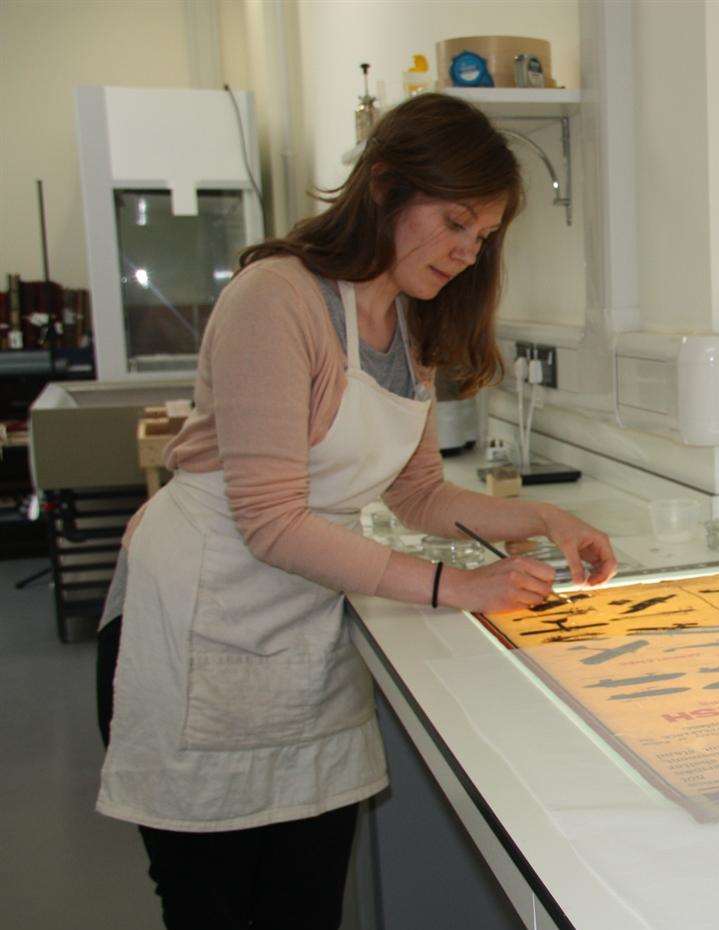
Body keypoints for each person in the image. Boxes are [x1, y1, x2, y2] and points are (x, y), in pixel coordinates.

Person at [95, 93, 617, 929]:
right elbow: (268, 520)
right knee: (217, 908)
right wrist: (457, 589)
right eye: (453, 223)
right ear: (383, 186)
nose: (464, 253)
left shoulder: (406, 321)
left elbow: (415, 494)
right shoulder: (278, 298)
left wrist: (544, 523)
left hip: (299, 625)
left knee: (304, 907)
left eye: (480, 237)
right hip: (198, 621)